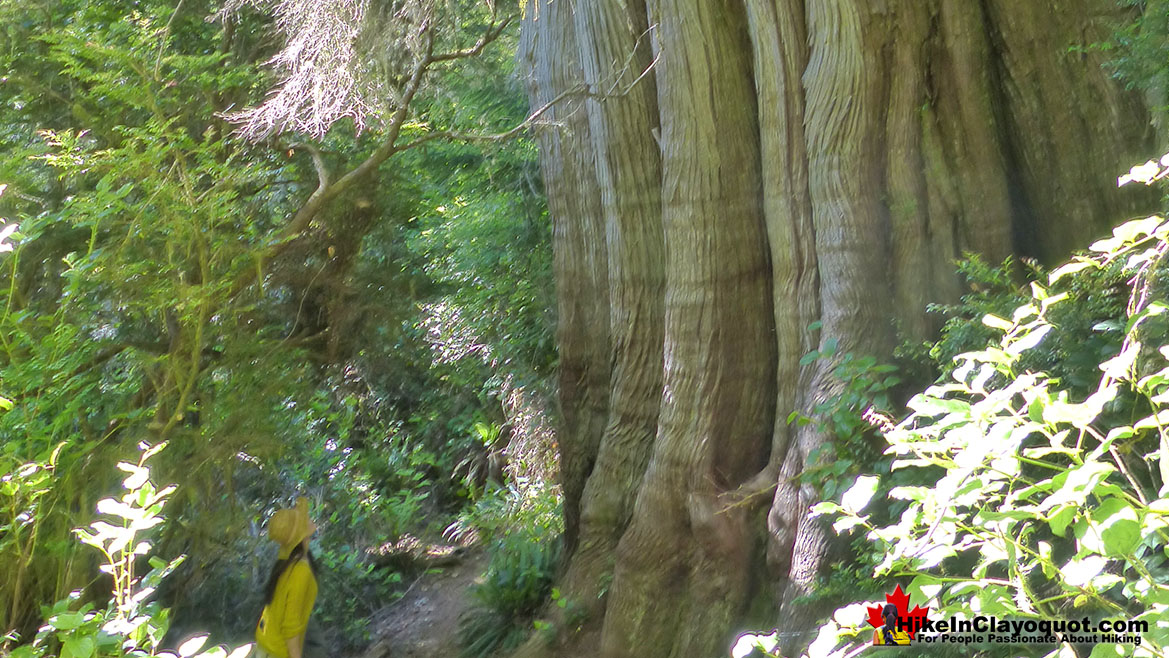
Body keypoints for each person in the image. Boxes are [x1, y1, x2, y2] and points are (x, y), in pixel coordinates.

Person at [254, 497, 319, 658]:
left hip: (265, 647)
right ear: (301, 532)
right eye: (304, 518)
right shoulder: (300, 570)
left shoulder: (288, 563)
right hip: (276, 652)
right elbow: (290, 627)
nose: (309, 518)